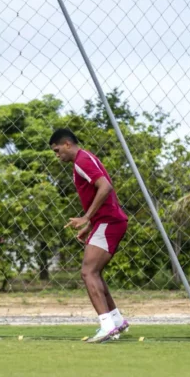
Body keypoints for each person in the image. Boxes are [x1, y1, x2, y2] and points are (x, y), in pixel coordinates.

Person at [50, 128, 130, 343]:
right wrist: (90, 225)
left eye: (57, 150)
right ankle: (116, 321)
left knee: (88, 272)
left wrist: (87, 217)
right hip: (107, 221)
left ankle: (106, 326)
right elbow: (103, 192)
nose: (57, 155)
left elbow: (105, 187)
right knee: (95, 273)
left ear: (67, 144)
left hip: (109, 222)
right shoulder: (85, 159)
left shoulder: (82, 161)